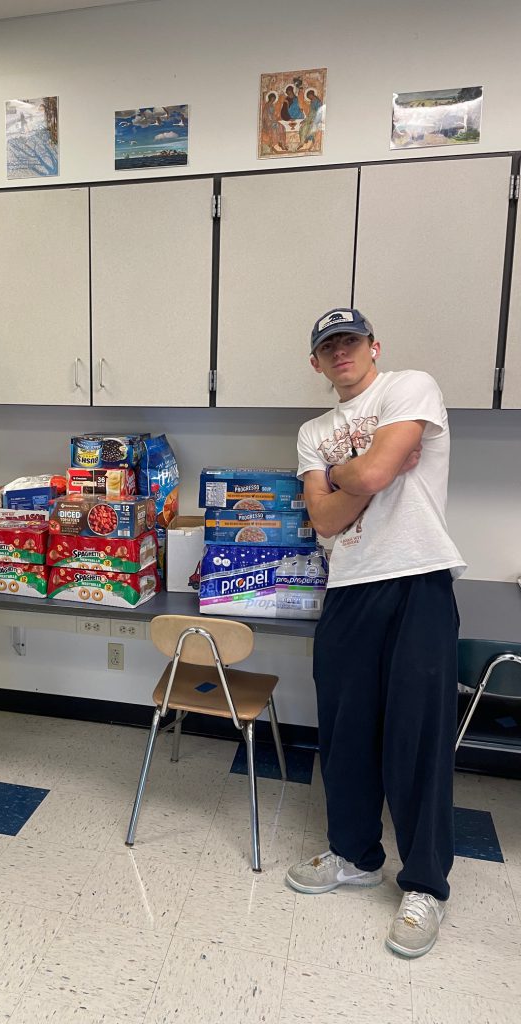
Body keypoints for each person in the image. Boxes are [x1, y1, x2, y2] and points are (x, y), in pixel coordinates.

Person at [286, 307, 465, 959]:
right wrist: (351, 470)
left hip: (419, 580)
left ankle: (424, 887)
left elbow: (379, 473)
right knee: (345, 734)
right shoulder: (312, 431)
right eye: (328, 346)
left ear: (373, 346)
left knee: (417, 740)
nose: (342, 353)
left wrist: (354, 473)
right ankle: (354, 856)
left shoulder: (409, 387)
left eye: (351, 341)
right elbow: (328, 518)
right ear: (315, 362)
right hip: (348, 591)